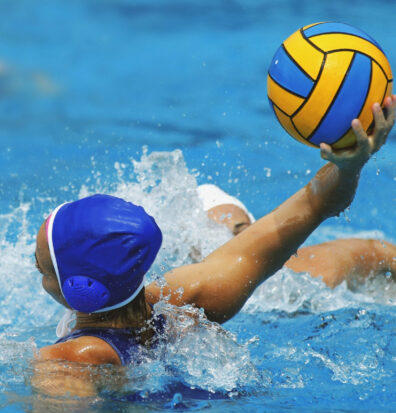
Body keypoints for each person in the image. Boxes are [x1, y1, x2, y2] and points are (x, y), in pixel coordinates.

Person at [31, 96, 396, 397]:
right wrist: (349, 166)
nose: (36, 268)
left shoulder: (69, 361)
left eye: (43, 266)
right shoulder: (187, 301)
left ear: (83, 289)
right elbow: (312, 206)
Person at [197, 184, 396, 288]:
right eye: (212, 239)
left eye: (238, 232)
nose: (226, 245)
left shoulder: (309, 273)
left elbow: (377, 249)